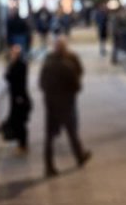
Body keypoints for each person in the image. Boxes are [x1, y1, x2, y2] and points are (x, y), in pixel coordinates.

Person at [39, 36, 91, 178]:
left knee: (49, 136)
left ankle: (49, 166)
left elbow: (41, 82)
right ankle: (79, 157)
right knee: (72, 132)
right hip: (66, 103)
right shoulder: (69, 63)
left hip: (51, 104)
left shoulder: (48, 61)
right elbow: (76, 83)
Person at [3, 44, 32, 153]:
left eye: (13, 53)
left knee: (20, 122)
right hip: (15, 96)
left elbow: (9, 77)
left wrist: (9, 67)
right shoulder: (16, 64)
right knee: (17, 121)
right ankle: (20, 143)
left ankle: (23, 144)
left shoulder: (19, 65)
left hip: (19, 97)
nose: (11, 54)